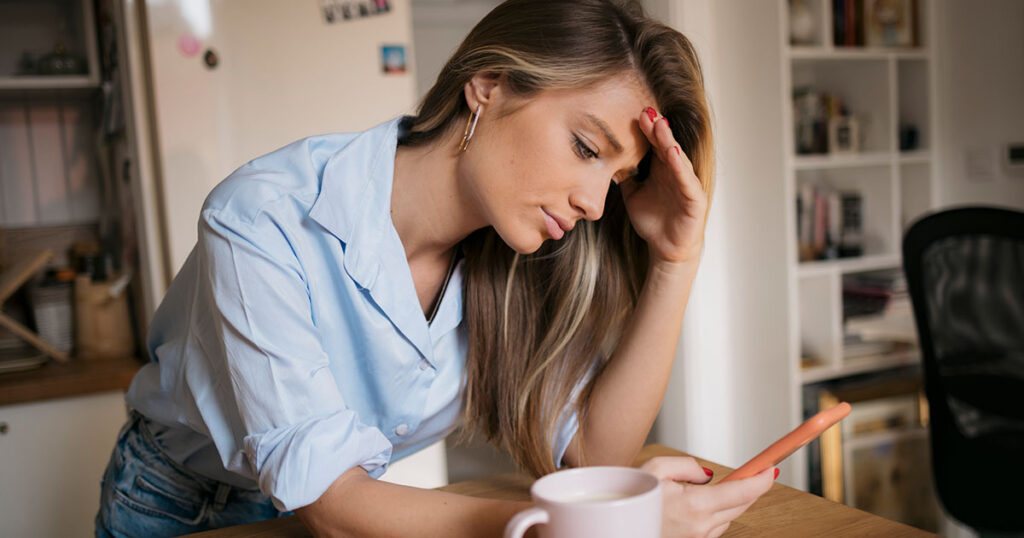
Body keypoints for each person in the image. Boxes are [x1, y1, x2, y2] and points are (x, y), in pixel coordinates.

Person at [95, 0, 778, 536]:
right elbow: (335, 506)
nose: (596, 204)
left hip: (370, 514)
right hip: (177, 508)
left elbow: (596, 455)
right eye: (584, 146)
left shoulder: (521, 254)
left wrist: (674, 257)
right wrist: (575, 525)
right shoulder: (262, 219)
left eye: (619, 178)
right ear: (487, 85)